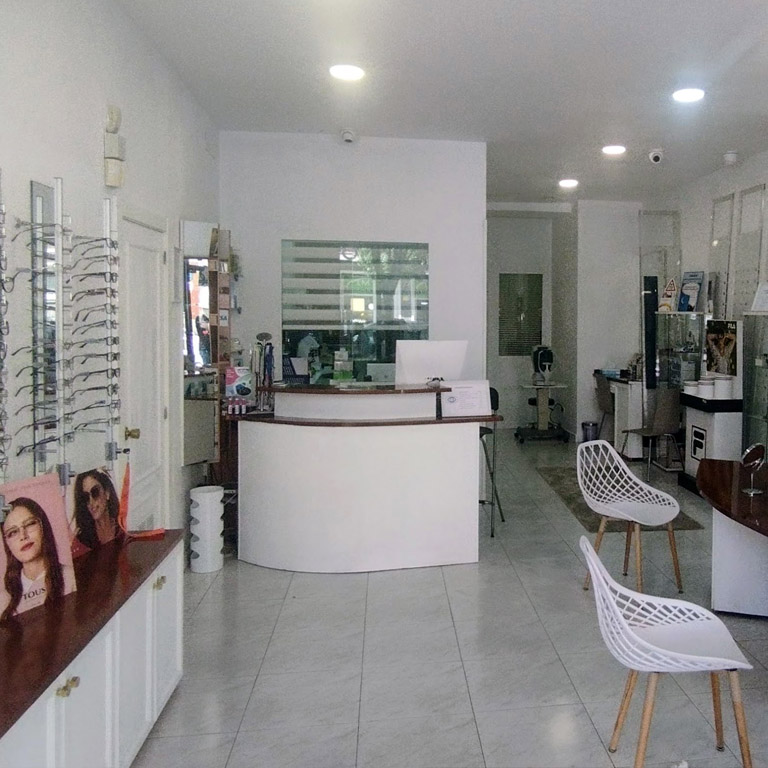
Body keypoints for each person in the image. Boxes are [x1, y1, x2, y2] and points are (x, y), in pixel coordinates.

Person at [1, 497, 73, 621]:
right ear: (7, 543)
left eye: (29, 524)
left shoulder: (70, 577)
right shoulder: (3, 600)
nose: (23, 536)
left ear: (43, 526)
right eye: (13, 532)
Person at [71, 469, 121, 554]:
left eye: (95, 492)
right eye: (86, 497)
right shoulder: (82, 540)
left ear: (107, 493)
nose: (91, 502)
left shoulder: (122, 525)